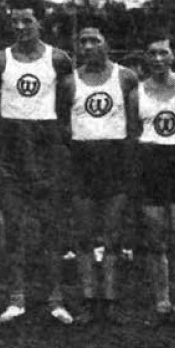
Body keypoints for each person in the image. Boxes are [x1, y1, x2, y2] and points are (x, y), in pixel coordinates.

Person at [0, 0, 74, 324]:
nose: (21, 27)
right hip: (11, 147)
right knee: (14, 225)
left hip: (46, 146)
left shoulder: (59, 58)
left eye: (27, 20)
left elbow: (67, 106)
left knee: (51, 226)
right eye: (15, 21)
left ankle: (55, 300)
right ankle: (16, 298)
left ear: (40, 22)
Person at [58, 26, 138, 324]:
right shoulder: (69, 82)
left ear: (108, 44)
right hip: (82, 162)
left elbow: (134, 120)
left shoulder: (126, 77)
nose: (89, 46)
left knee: (113, 235)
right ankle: (89, 299)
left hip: (115, 161)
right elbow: (63, 124)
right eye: (83, 41)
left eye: (95, 40)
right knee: (83, 235)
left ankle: (111, 299)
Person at [130, 30, 175, 325]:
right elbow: (133, 134)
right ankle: (162, 302)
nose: (158, 58)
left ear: (173, 56)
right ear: (145, 59)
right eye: (152, 53)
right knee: (155, 241)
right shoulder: (137, 92)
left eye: (163, 53)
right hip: (152, 166)